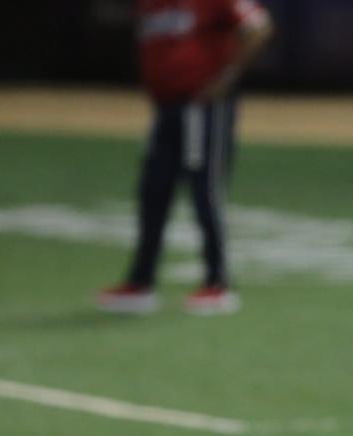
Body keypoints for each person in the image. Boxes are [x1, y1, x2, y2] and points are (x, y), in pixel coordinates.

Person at [97, 0, 272, 316]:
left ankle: (218, 283)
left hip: (202, 106)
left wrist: (227, 77)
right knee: (153, 190)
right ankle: (141, 282)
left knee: (205, 190)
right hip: (165, 107)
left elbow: (258, 27)